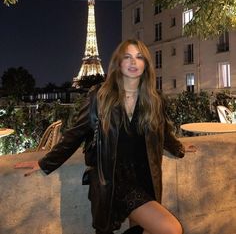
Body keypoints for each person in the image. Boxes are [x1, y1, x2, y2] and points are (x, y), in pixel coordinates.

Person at [15, 39, 196, 234]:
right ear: (118, 63)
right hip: (111, 178)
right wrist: (44, 163)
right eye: (127, 57)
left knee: (140, 230)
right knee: (171, 229)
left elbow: (163, 133)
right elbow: (75, 134)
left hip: (144, 177)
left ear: (146, 64)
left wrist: (179, 148)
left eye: (139, 57)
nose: (133, 62)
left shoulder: (153, 99)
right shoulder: (100, 97)